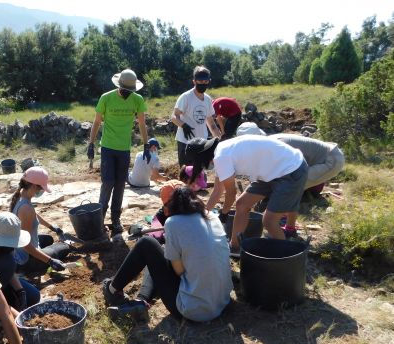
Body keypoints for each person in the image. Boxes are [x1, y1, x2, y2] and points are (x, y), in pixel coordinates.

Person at [102, 185, 232, 322]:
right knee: (160, 253)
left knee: (146, 244)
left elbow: (179, 271)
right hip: (222, 301)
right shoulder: (212, 217)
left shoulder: (172, 223)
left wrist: (168, 255)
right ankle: (141, 300)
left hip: (193, 311)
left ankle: (112, 290)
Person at [186, 136, 308, 257]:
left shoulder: (221, 157)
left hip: (290, 169)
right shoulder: (220, 151)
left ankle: (287, 257)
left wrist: (223, 215)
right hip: (271, 170)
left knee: (269, 222)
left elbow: (231, 193)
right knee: (242, 205)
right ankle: (234, 247)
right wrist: (204, 214)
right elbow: (218, 190)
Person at [87, 68, 149, 234]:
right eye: (125, 90)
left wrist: (146, 145)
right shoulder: (106, 98)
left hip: (124, 149)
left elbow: (142, 123)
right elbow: (97, 122)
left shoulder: (137, 100)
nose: (128, 93)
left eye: (130, 91)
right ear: (119, 86)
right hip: (108, 147)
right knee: (108, 182)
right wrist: (91, 143)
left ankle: (115, 219)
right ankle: (100, 218)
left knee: (121, 184)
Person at [270, 133, 345, 237]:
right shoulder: (272, 141)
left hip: (331, 160)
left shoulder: (276, 145)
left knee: (292, 186)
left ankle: (285, 222)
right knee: (291, 185)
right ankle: (288, 225)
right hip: (329, 155)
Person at [0, 212, 40, 313]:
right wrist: (11, 313)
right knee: (8, 263)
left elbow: (9, 272)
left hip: (0, 282)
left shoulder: (4, 249)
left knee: (33, 296)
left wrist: (20, 291)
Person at [10, 166, 69, 273]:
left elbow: (34, 215)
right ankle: (36, 265)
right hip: (26, 259)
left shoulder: (20, 196)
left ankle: (42, 253)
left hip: (17, 250)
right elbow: (25, 244)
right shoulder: (26, 209)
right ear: (33, 185)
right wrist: (50, 261)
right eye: (41, 188)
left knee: (49, 239)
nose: (41, 191)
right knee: (64, 247)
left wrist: (52, 227)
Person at [171, 66, 221, 166]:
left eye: (205, 81)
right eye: (200, 81)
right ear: (194, 81)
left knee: (201, 174)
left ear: (209, 81)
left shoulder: (207, 99)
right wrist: (183, 125)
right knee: (187, 175)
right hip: (186, 142)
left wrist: (219, 141)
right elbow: (174, 116)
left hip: (202, 143)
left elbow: (211, 124)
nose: (203, 83)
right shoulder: (186, 97)